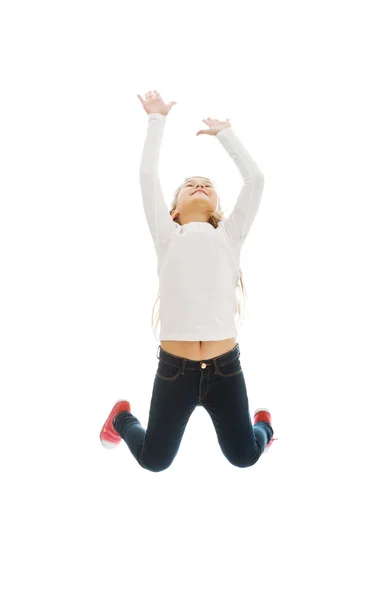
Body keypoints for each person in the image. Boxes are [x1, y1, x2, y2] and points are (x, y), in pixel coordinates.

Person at [99, 90, 278, 471]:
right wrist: (156, 119)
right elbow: (147, 175)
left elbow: (256, 179)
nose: (200, 185)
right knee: (154, 460)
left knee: (244, 456)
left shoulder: (230, 236)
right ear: (174, 207)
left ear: (217, 206)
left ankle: (263, 426)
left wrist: (226, 134)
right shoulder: (167, 236)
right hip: (174, 370)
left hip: (225, 369)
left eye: (208, 184)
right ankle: (120, 419)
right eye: (190, 184)